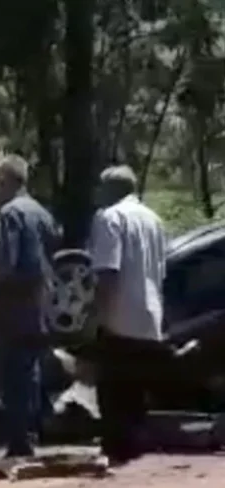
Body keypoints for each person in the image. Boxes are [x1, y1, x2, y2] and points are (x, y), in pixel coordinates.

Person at [88, 165, 166, 466]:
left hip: (119, 316)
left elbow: (108, 270)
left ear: (111, 189)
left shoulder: (110, 218)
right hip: (150, 316)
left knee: (112, 388)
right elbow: (162, 270)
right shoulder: (154, 220)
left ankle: (116, 449)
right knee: (135, 388)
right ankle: (134, 449)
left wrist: (95, 315)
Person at [0, 155, 59, 458]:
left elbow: (5, 264)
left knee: (14, 372)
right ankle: (33, 432)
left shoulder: (9, 215)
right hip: (42, 303)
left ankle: (19, 442)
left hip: (13, 306)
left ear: (6, 181)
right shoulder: (42, 213)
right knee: (32, 369)